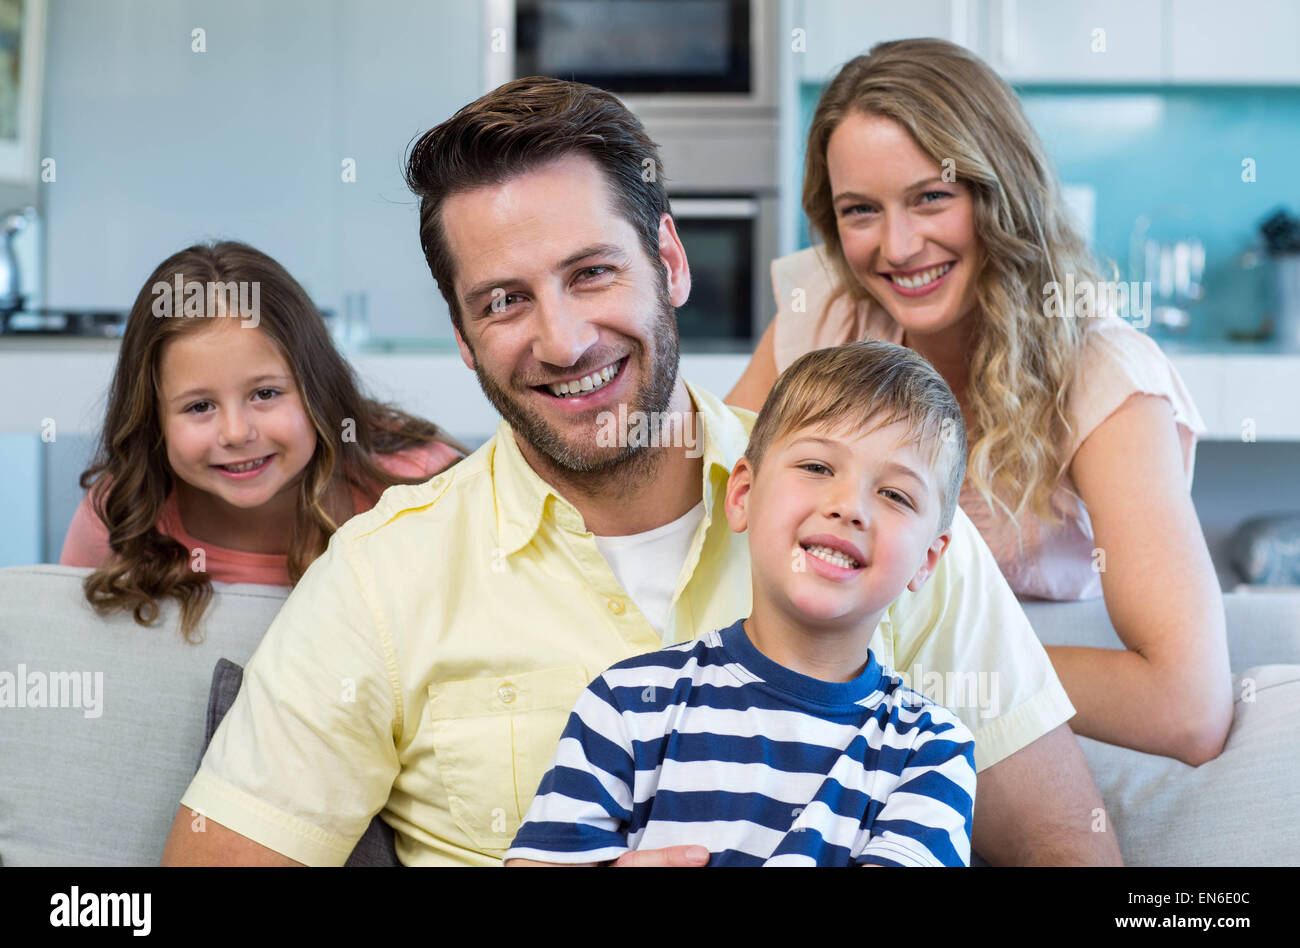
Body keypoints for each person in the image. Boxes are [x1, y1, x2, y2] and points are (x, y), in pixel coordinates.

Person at [161, 77, 1119, 866]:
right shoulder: (379, 581)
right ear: (461, 337)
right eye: (504, 300)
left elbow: (1072, 861)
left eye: (591, 273)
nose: (564, 339)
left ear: (669, 259)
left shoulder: (883, 518)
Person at [727, 39, 1230, 767]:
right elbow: (713, 513)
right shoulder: (828, 312)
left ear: (1002, 191)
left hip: (1041, 730)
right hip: (828, 712)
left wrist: (898, 667)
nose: (898, 247)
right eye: (860, 210)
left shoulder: (1102, 375)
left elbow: (1188, 708)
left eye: (932, 197)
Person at [505, 341, 977, 867]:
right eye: (818, 466)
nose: (848, 507)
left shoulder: (931, 752)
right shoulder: (625, 704)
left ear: (927, 561)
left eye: (895, 495)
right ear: (743, 495)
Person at [61, 241, 465, 639]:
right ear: (153, 419)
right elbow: (74, 649)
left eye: (265, 394)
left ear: (317, 389)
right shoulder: (121, 514)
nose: (236, 433)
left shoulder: (421, 488)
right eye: (200, 406)